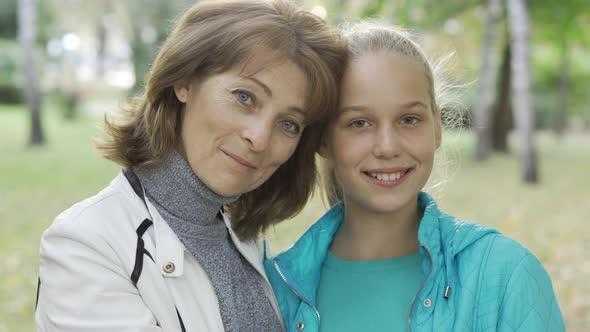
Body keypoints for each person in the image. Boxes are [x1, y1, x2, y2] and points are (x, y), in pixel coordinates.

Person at [35, 1, 347, 331]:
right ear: (184, 80)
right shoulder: (86, 245)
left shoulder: (246, 239)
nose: (259, 138)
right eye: (244, 97)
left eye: (288, 124)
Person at [265, 22, 565, 332]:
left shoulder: (506, 275)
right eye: (359, 123)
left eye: (409, 119)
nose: (387, 146)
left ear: (436, 126)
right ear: (323, 140)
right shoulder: (278, 287)